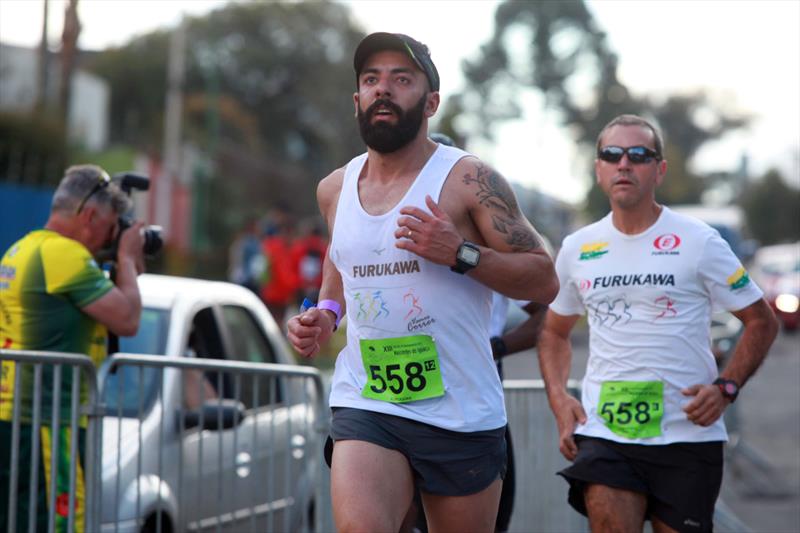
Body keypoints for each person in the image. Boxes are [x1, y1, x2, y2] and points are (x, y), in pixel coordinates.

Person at [287, 32, 557, 533]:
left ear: (431, 102)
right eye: (372, 79)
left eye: (401, 79)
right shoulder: (334, 189)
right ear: (357, 100)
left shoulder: (469, 179)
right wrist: (325, 315)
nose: (383, 89)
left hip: (459, 410)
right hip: (368, 399)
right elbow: (340, 269)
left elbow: (544, 279)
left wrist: (459, 253)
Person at [537, 114, 779, 533]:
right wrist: (559, 399)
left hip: (687, 434)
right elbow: (553, 331)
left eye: (638, 155)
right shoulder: (578, 247)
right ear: (599, 169)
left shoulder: (699, 241)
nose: (624, 164)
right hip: (607, 433)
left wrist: (726, 388)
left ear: (659, 170)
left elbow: (761, 321)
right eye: (612, 154)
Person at [0, 164, 145, 532]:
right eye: (111, 226)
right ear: (90, 216)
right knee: (63, 523)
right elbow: (127, 319)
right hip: (48, 422)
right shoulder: (65, 256)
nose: (111, 237)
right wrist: (127, 258)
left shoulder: (21, 249)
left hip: (14, 419)